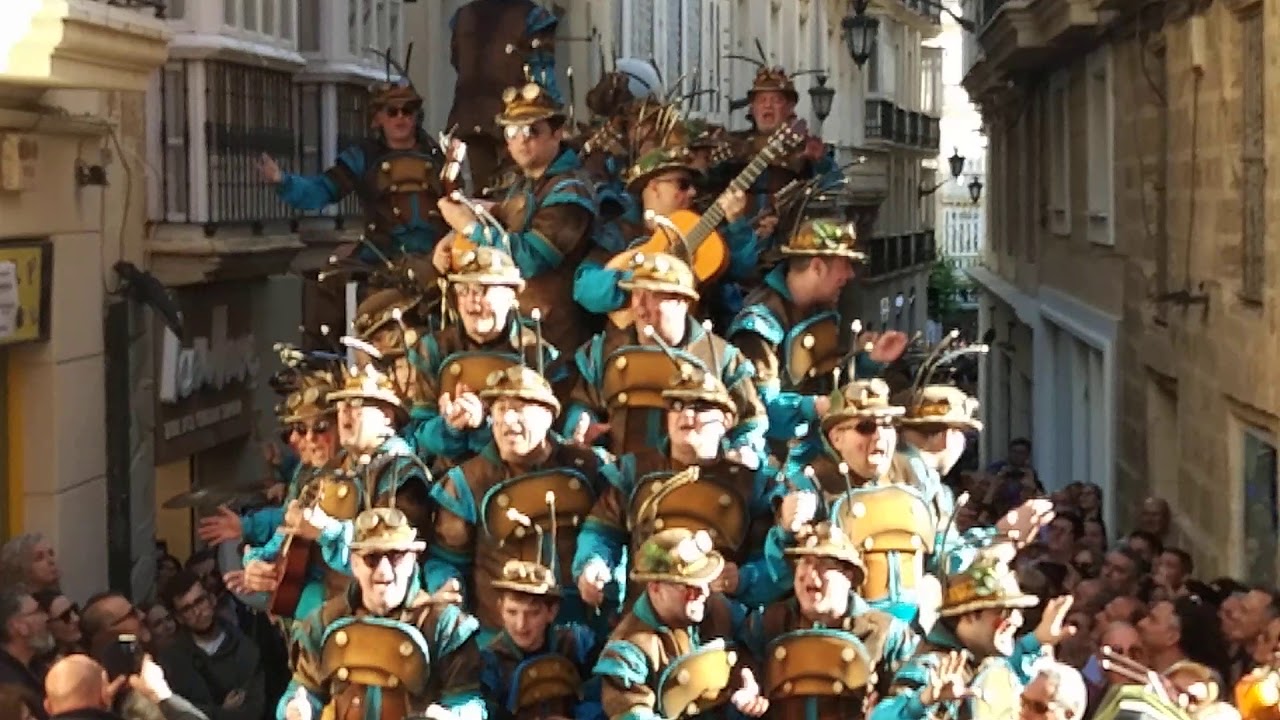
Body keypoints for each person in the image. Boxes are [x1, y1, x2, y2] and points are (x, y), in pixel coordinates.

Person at [425, 365, 614, 636]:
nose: (507, 421)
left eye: (519, 409)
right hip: (497, 642)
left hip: (578, 635)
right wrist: (447, 585)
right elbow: (446, 558)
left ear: (548, 416)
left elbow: (611, 532)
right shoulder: (467, 482)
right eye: (500, 410)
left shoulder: (590, 467)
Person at [434, 79, 598, 353]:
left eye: (533, 129)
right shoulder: (522, 183)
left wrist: (470, 226)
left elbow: (529, 260)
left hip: (550, 342)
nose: (522, 138)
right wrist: (454, 236)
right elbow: (504, 219)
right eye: (512, 130)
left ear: (558, 133)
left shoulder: (571, 193)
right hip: (506, 331)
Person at [279, 507, 484, 720]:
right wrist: (296, 708)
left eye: (395, 556)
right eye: (371, 558)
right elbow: (303, 689)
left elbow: (468, 701)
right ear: (354, 563)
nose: (384, 571)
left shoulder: (446, 626)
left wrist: (455, 716)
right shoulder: (324, 621)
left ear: (413, 558)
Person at [727, 218, 904, 457]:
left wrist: (868, 360)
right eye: (844, 264)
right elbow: (758, 406)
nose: (850, 275)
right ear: (818, 267)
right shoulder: (759, 325)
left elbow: (831, 384)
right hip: (778, 464)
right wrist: (814, 407)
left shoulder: (822, 312)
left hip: (822, 451)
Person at [261, 63, 446, 261]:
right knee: (330, 282)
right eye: (392, 111)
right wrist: (283, 180)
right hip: (381, 259)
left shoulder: (437, 156)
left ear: (416, 116)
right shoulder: (363, 157)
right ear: (378, 118)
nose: (400, 117)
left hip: (437, 258)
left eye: (407, 110)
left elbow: (460, 204)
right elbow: (323, 189)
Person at [741, 522, 919, 717]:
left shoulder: (885, 633)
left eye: (825, 563)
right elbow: (738, 655)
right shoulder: (770, 622)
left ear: (849, 576)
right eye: (805, 562)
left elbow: (914, 682)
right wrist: (747, 681)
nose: (810, 573)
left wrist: (885, 710)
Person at [593, 528, 768, 719]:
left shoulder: (717, 608)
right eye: (691, 588)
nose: (704, 594)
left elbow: (752, 643)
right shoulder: (626, 653)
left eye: (705, 583)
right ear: (655, 588)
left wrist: (748, 684)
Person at [478, 559, 601, 720]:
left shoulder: (578, 644)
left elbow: (602, 695)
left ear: (552, 611)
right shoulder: (490, 661)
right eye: (512, 612)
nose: (521, 625)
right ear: (500, 609)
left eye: (533, 613)